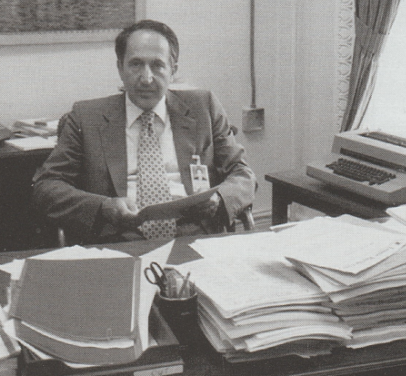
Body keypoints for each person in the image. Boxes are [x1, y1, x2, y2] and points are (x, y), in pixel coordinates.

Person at [33, 19, 256, 244]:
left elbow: (242, 173)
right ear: (120, 68)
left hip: (196, 239)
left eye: (158, 65)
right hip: (119, 242)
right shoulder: (87, 116)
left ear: (173, 70)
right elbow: (47, 186)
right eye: (136, 64)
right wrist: (104, 207)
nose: (146, 78)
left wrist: (220, 198)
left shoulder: (204, 108)